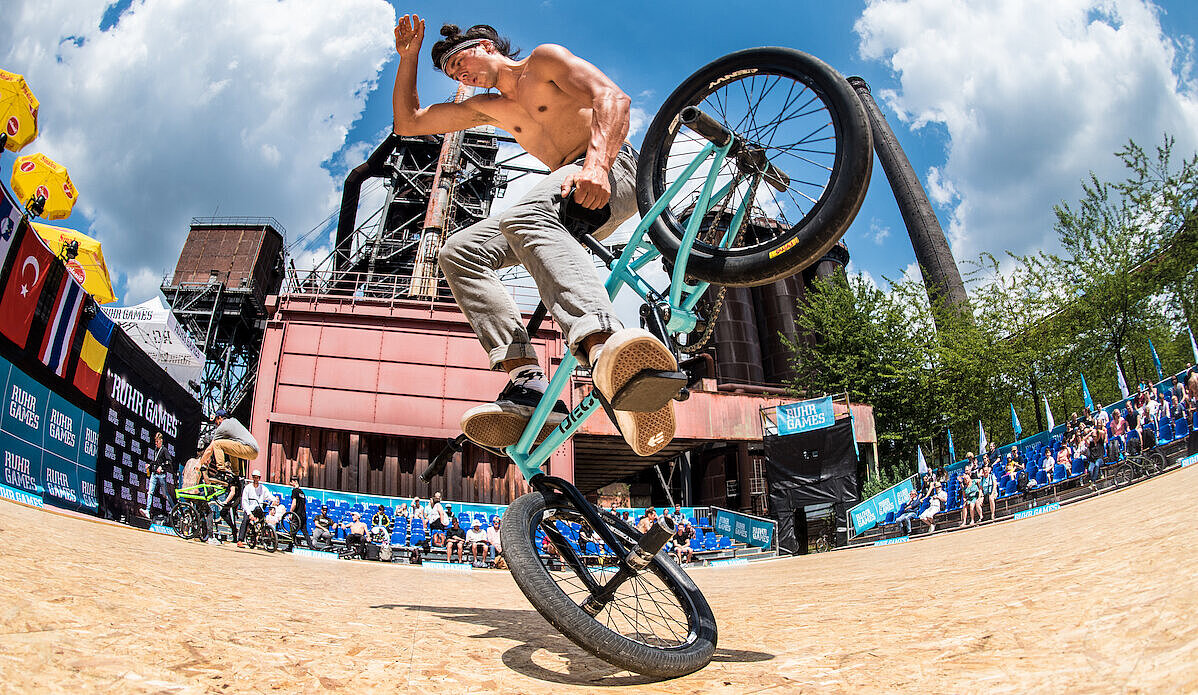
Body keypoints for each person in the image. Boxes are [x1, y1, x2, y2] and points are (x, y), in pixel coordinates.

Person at [391, 15, 676, 457]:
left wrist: (595, 166)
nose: (459, 75)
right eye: (451, 75)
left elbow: (612, 98)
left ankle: (603, 346)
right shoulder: (487, 107)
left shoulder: (543, 62)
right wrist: (409, 59)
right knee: (458, 252)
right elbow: (408, 123)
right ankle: (529, 383)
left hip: (613, 173)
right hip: (564, 201)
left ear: (485, 45)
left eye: (458, 62)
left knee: (522, 216)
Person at [199, 410, 260, 483]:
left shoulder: (222, 427)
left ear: (220, 418)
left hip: (247, 447)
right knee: (230, 449)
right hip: (254, 451)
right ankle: (235, 476)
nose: (216, 423)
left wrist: (200, 464)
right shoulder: (234, 421)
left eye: (216, 420)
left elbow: (210, 449)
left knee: (217, 444)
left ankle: (221, 472)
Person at [237, 470, 274, 548]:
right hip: (250, 509)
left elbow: (269, 496)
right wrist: (249, 513)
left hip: (258, 508)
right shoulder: (248, 488)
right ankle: (240, 540)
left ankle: (264, 534)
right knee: (245, 521)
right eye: (254, 477)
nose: (255, 479)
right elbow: (244, 501)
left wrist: (274, 500)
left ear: (259, 478)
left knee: (263, 520)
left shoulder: (263, 488)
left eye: (257, 478)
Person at [143, 431, 172, 520]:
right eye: (155, 442)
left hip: (161, 475)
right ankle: (147, 511)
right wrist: (150, 465)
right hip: (154, 474)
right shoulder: (156, 450)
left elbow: (169, 461)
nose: (156, 444)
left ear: (161, 441)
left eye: (157, 442)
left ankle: (174, 508)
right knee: (150, 492)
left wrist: (162, 467)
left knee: (165, 495)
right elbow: (156, 461)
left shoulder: (164, 450)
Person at [287, 478, 312, 549]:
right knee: (305, 532)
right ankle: (311, 546)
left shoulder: (295, 491)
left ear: (295, 482)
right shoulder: (302, 493)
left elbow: (294, 503)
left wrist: (290, 513)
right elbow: (304, 505)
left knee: (293, 531)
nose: (290, 484)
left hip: (297, 515)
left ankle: (290, 547)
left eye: (291, 482)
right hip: (303, 515)